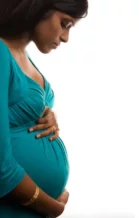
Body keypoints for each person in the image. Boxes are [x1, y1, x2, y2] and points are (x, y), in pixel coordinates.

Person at [0, 0, 88, 217]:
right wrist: (50, 206)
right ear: (40, 8)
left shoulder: (21, 54)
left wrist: (47, 113)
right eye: (65, 24)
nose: (66, 38)